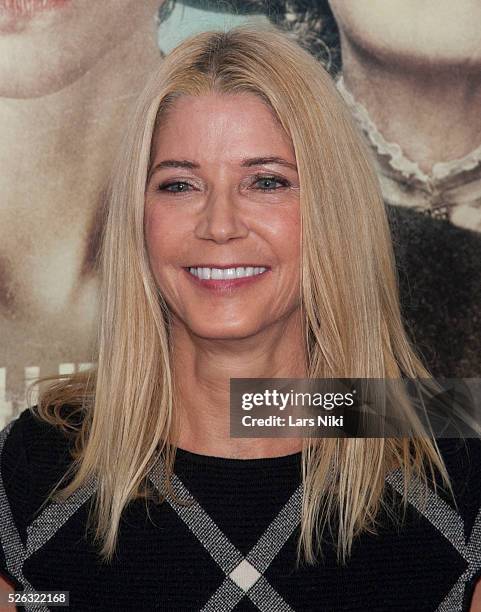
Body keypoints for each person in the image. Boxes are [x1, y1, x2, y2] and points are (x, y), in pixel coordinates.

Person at [0, 24, 480, 611]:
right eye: (180, 184)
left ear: (332, 210)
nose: (219, 223)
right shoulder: (34, 468)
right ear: (139, 217)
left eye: (266, 182)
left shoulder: (453, 458)